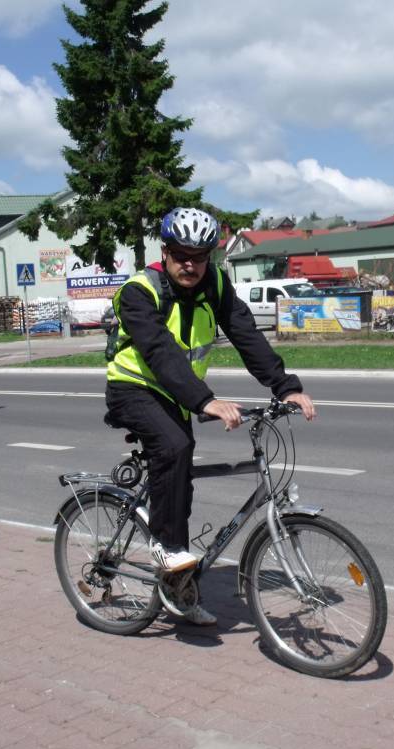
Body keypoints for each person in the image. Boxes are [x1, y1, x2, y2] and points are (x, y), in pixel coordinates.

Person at [105, 207, 316, 625]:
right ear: (165, 253)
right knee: (174, 446)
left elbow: (246, 334)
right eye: (182, 255)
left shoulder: (215, 285)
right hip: (133, 388)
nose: (190, 264)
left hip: (176, 394)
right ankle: (166, 548)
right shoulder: (139, 292)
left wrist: (285, 386)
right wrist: (205, 400)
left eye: (199, 257)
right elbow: (159, 351)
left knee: (179, 480)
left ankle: (177, 586)